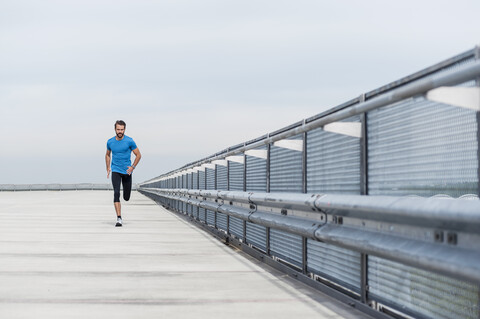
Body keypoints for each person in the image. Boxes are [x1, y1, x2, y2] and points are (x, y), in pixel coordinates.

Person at [105, 120, 141, 227]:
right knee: (116, 193)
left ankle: (125, 197)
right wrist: (108, 168)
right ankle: (119, 218)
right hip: (115, 170)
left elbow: (138, 155)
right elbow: (107, 154)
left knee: (126, 197)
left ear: (124, 129)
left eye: (122, 129)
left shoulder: (129, 141)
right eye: (118, 129)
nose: (120, 131)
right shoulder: (110, 142)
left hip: (127, 171)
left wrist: (132, 167)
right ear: (115, 129)